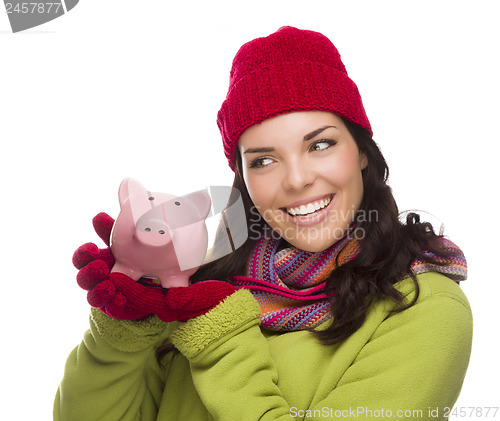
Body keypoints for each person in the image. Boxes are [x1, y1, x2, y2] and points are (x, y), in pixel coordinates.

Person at [54, 26, 472, 420]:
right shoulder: (204, 280)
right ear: (244, 180)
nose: (296, 180)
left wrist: (218, 335)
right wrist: (125, 325)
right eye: (264, 160)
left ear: (361, 152)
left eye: (320, 144)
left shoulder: (424, 306)